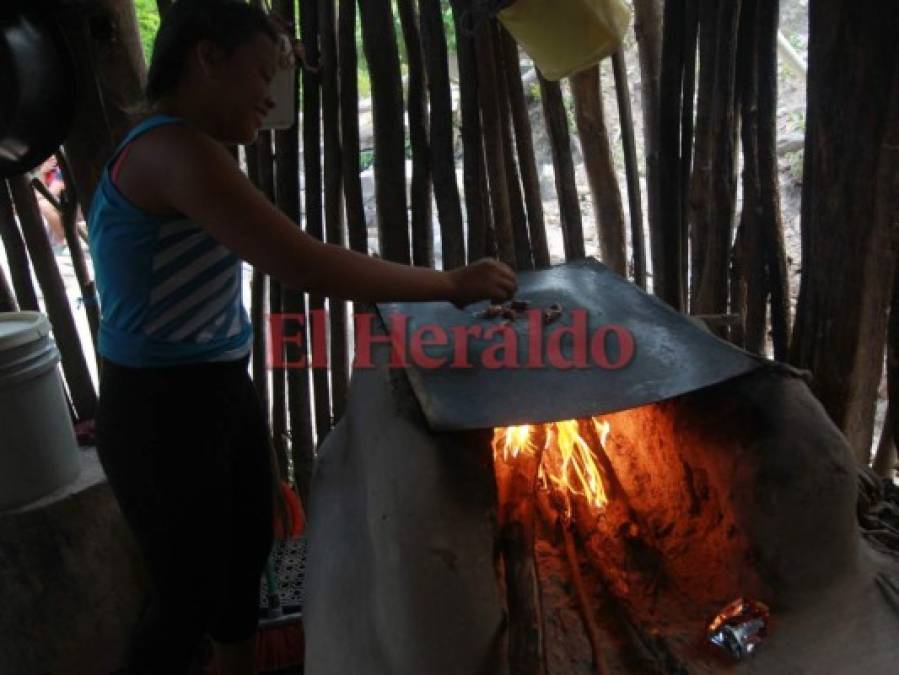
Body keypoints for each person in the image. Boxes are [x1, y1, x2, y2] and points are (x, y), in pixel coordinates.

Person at [87, 1, 516, 674]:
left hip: (216, 383)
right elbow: (300, 260)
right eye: (261, 74)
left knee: (243, 557)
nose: (269, 96)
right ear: (207, 59)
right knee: (185, 594)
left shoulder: (192, 148)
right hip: (160, 408)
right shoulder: (173, 152)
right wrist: (448, 283)